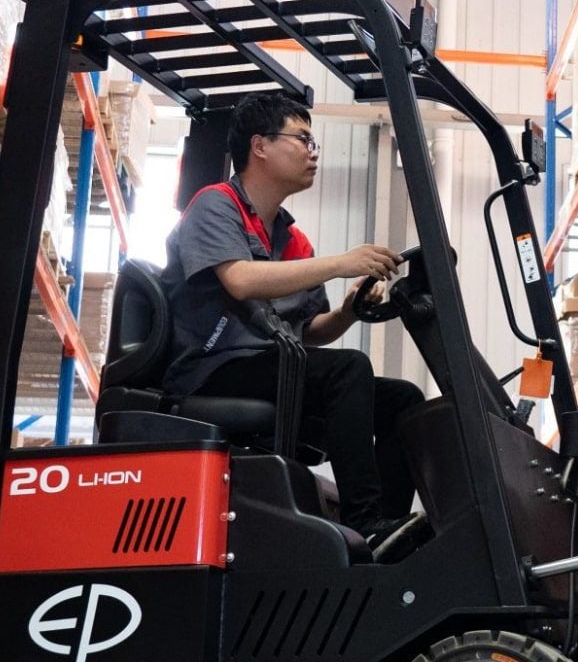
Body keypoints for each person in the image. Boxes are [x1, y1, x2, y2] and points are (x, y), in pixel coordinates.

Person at [160, 91, 423, 542]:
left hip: (274, 364)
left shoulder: (291, 238)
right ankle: (364, 518)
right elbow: (240, 280)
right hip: (213, 367)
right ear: (259, 146)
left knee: (404, 399)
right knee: (348, 369)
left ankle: (388, 535)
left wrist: (348, 309)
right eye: (302, 139)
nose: (312, 152)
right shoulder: (215, 204)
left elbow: (310, 332)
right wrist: (343, 263)